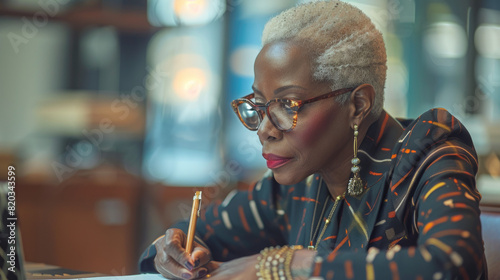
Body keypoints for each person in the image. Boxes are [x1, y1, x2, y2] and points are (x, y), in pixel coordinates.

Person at [139, 1, 487, 279]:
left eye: (288, 104)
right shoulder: (295, 185)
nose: (265, 129)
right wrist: (171, 250)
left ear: (357, 105)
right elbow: (194, 232)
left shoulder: (428, 149)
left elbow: (452, 262)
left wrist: (289, 265)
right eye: (259, 106)